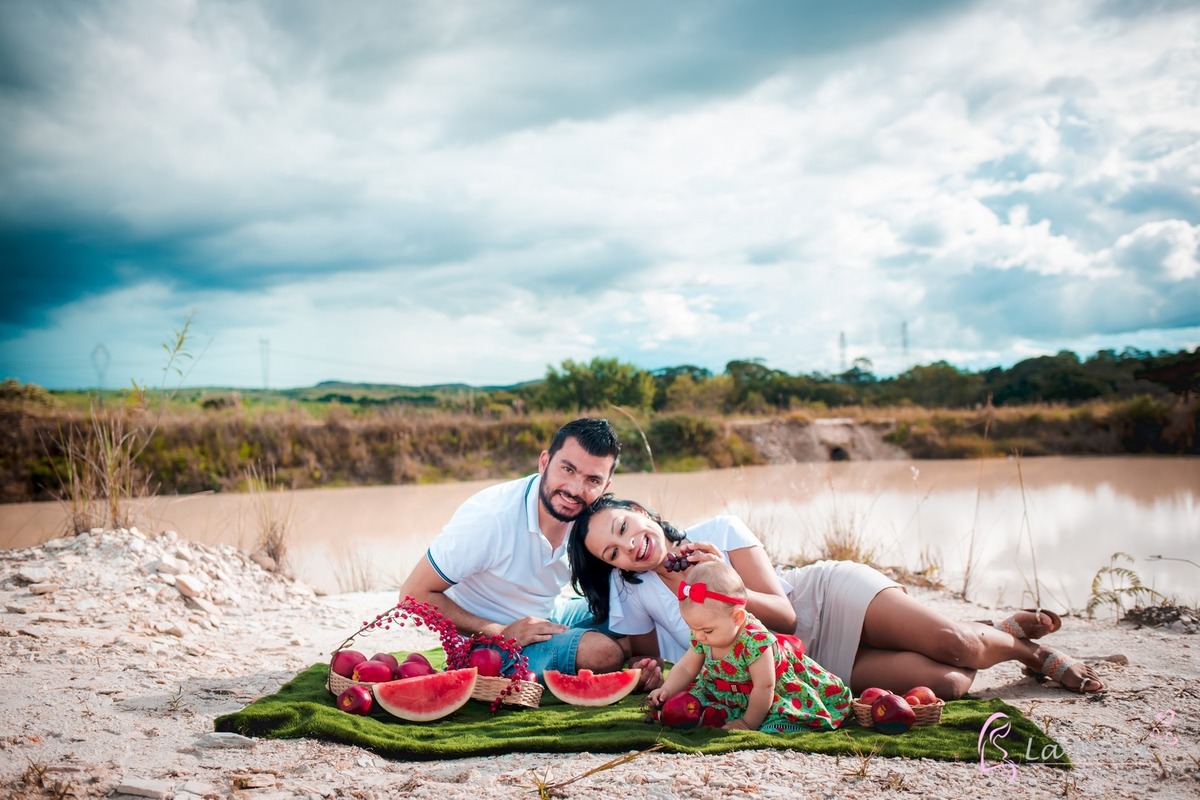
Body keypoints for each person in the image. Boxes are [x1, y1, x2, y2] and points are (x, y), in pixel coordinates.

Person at [569, 494, 1106, 699]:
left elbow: (785, 615)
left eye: (623, 527)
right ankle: (995, 631)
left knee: (959, 646)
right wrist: (647, 671)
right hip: (800, 663)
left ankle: (1026, 651)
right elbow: (652, 660)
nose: (628, 547)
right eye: (613, 553)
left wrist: (717, 582)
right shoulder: (631, 591)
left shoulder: (721, 530)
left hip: (824, 597)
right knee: (950, 682)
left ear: (639, 511)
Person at [398, 419, 662, 686]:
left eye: (592, 480)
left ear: (605, 487)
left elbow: (640, 550)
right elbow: (412, 595)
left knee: (639, 605)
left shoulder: (589, 519)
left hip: (548, 614)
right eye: (568, 469)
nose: (574, 489)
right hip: (483, 644)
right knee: (602, 653)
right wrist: (500, 631)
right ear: (544, 462)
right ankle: (624, 650)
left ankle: (635, 656)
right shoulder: (490, 518)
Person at [647, 560, 852, 732]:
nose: (699, 636)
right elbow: (686, 667)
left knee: (776, 724)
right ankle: (716, 713)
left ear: (737, 617)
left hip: (767, 695)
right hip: (725, 689)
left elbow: (765, 686)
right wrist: (667, 689)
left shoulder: (755, 642)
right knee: (690, 707)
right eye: (693, 628)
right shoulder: (703, 631)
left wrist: (748, 723)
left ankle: (752, 718)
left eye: (707, 631)